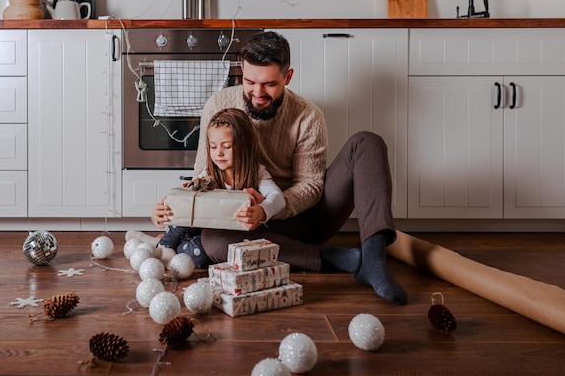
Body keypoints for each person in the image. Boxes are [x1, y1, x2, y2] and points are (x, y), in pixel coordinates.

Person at [153, 31, 407, 305]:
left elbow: (311, 187)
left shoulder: (308, 115)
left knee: (367, 142)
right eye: (250, 82)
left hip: (303, 219)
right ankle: (338, 258)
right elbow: (205, 177)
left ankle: (373, 259)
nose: (258, 93)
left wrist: (270, 207)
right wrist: (175, 208)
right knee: (213, 241)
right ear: (241, 74)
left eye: (269, 84)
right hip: (244, 225)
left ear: (288, 77)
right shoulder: (218, 105)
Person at [157, 107, 286, 268]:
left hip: (218, 235)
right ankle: (165, 245)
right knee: (187, 204)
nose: (219, 153)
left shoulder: (257, 172)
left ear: (244, 145)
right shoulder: (208, 174)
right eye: (213, 146)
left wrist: (262, 211)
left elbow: (278, 198)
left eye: (226, 146)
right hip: (198, 226)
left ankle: (170, 247)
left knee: (199, 258)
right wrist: (161, 210)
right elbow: (183, 201)